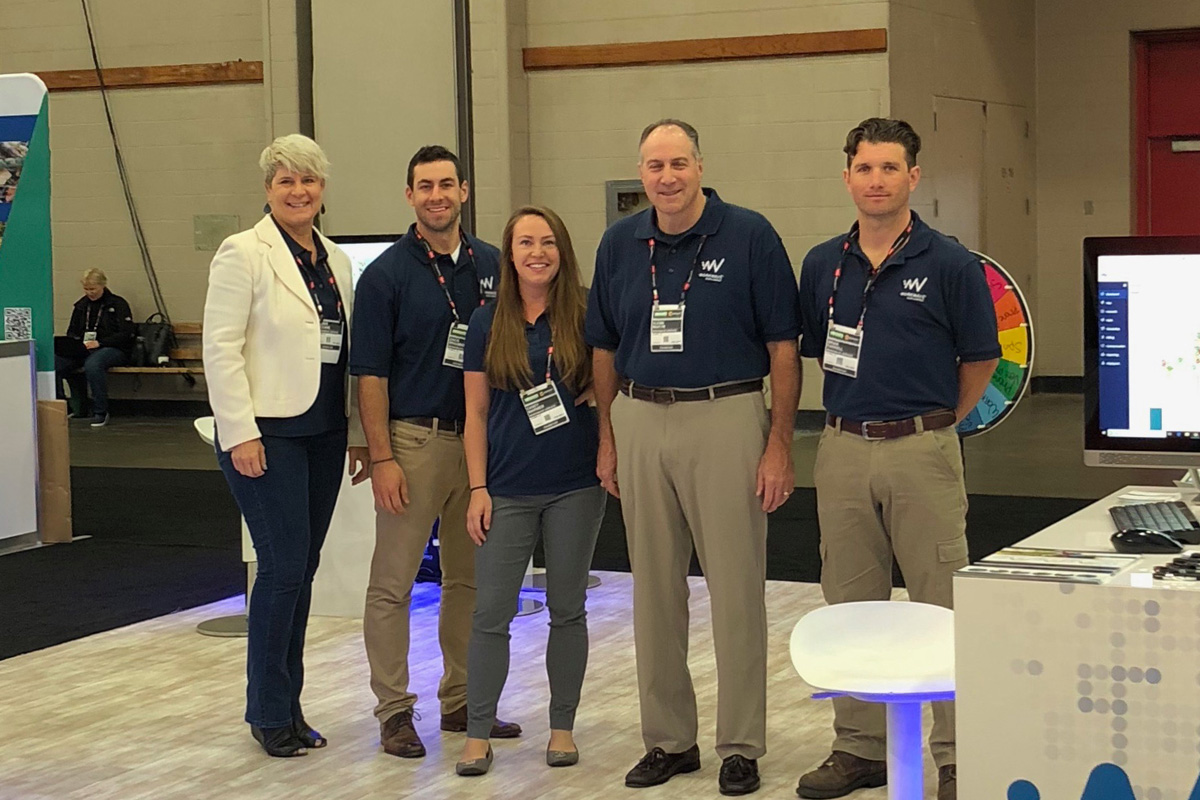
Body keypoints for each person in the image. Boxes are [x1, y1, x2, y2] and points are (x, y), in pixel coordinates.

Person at [586, 119, 801, 796]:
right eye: (654, 165)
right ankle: (669, 741)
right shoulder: (621, 243)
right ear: (640, 172)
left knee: (736, 591)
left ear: (700, 166)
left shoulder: (749, 235)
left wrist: (778, 443)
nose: (667, 177)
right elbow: (601, 345)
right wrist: (608, 436)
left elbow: (783, 349)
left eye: (678, 163)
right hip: (641, 415)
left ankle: (740, 746)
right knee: (652, 592)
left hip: (728, 414)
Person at [794, 118, 1000, 800]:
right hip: (843, 449)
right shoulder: (822, 263)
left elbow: (981, 358)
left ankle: (957, 755)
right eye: (864, 168)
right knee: (849, 602)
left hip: (923, 451)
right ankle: (860, 748)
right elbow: (822, 353)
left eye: (890, 168)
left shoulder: (949, 263)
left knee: (943, 604)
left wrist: (937, 427)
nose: (876, 180)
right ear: (846, 175)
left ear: (914, 176)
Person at [202, 133, 369, 758]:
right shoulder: (242, 252)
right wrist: (239, 430)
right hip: (264, 435)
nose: (298, 191)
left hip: (323, 432)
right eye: (286, 182)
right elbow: (219, 348)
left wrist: (355, 433)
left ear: (322, 189)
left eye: (309, 181)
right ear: (267, 190)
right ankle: (268, 711)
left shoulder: (336, 260)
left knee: (302, 570)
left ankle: (290, 705)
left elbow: (348, 354)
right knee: (279, 568)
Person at [350, 145, 519, 759]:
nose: (437, 195)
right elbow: (369, 374)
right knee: (392, 585)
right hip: (412, 442)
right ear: (409, 196)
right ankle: (395, 711)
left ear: (465, 191)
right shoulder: (386, 275)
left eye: (447, 184)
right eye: (425, 186)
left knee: (469, 581)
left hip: (481, 446)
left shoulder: (493, 265)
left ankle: (462, 702)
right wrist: (383, 455)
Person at [454, 206, 606, 777]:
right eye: (525, 243)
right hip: (506, 490)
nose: (536, 252)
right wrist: (477, 487)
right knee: (491, 613)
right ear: (509, 253)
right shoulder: (486, 321)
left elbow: (617, 373)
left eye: (547, 242)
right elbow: (475, 412)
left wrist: (598, 387)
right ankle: (477, 732)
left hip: (576, 487)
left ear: (562, 250)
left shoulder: (588, 312)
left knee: (568, 610)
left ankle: (562, 726)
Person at [54, 268, 135, 427]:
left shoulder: (118, 304)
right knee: (55, 364)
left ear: (102, 286)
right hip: (84, 347)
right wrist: (75, 343)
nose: (89, 293)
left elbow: (126, 333)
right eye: (86, 289)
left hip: (113, 348)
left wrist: (100, 343)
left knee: (93, 364)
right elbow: (72, 330)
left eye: (93, 289)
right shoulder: (81, 305)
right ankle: (64, 405)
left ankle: (101, 411)